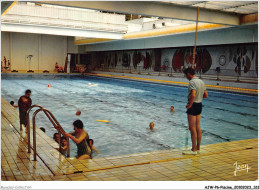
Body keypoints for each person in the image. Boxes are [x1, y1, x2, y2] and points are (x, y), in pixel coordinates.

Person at [182, 67, 208, 155]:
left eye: (186, 75)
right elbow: (206, 95)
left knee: (192, 128)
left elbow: (192, 95)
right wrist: (198, 97)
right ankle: (198, 148)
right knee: (198, 127)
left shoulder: (192, 82)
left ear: (189, 74)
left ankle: (193, 149)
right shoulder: (201, 81)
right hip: (199, 104)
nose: (186, 77)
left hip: (193, 105)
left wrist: (189, 104)